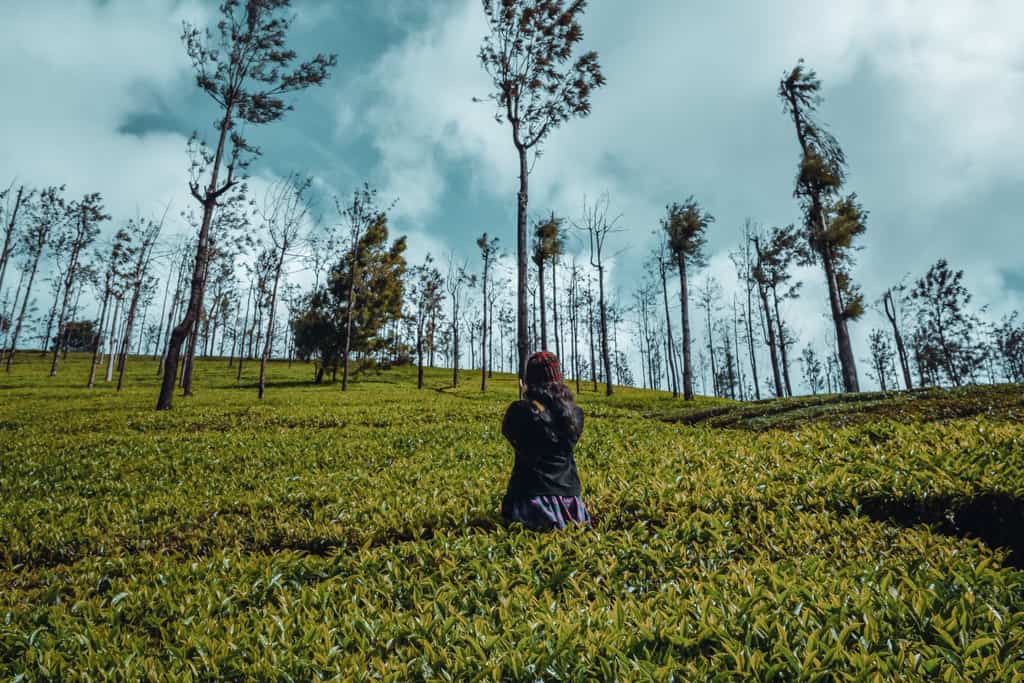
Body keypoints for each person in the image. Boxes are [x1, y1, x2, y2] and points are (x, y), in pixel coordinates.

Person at [500, 351, 590, 530]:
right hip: (571, 505)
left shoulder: (521, 410)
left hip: (532, 502)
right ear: (558, 379)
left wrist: (524, 398)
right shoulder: (575, 414)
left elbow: (512, 433)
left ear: (529, 381)